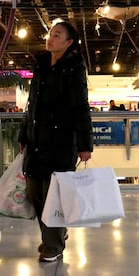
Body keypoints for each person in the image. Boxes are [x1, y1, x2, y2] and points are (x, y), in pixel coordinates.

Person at [18, 21, 93, 262]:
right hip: (37, 139)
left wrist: (84, 144)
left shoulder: (74, 67)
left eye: (57, 35)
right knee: (34, 193)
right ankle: (54, 236)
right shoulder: (40, 65)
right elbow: (31, 105)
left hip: (61, 141)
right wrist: (23, 134)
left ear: (68, 43)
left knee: (54, 195)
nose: (51, 38)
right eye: (51, 33)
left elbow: (81, 106)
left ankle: (53, 245)